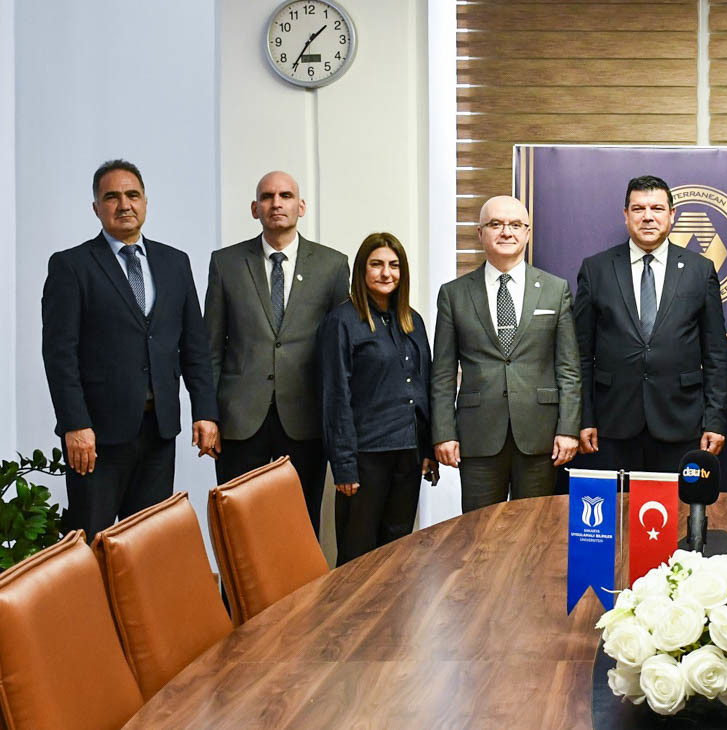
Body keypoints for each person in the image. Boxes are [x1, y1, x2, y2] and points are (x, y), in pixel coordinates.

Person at [41, 159, 219, 538]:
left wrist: (205, 411)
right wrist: (75, 424)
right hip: (97, 437)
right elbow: (59, 356)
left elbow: (194, 347)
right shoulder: (71, 266)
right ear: (96, 208)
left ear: (145, 202)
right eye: (112, 197)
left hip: (159, 432)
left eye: (132, 195)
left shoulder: (175, 263)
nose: (124, 204)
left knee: (148, 544)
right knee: (91, 542)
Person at [204, 171, 350, 534]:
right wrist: (207, 415)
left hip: (305, 416)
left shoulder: (332, 265)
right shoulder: (226, 263)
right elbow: (211, 348)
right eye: (267, 197)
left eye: (286, 195)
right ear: (255, 208)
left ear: (301, 206)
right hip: (239, 419)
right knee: (239, 526)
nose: (276, 203)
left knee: (300, 526)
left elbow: (340, 351)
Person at [432, 196, 581, 512]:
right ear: (480, 232)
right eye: (496, 224)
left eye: (515, 224)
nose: (506, 232)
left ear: (527, 233)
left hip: (540, 435)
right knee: (480, 531)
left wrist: (568, 429)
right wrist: (443, 432)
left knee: (534, 529)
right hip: (478, 435)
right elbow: (442, 372)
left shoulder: (555, 290)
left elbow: (568, 368)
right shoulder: (454, 294)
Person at [574, 175, 727, 473]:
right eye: (638, 209)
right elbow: (580, 355)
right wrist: (584, 418)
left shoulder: (700, 270)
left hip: (681, 420)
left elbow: (716, 355)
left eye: (657, 208)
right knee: (618, 504)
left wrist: (715, 420)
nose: (647, 217)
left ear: (672, 214)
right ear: (625, 214)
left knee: (676, 503)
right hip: (612, 423)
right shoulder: (596, 269)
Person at [318, 233, 435, 565]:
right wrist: (343, 465)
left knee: (397, 554)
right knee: (358, 556)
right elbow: (335, 397)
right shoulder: (342, 321)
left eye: (394, 265)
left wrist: (428, 447)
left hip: (408, 454)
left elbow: (424, 387)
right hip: (366, 457)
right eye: (377, 264)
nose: (386, 273)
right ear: (362, 270)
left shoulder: (412, 321)